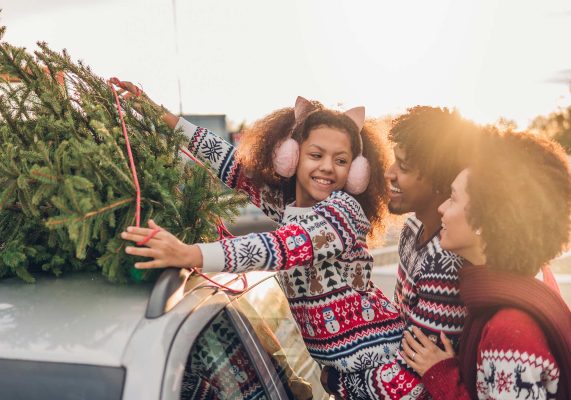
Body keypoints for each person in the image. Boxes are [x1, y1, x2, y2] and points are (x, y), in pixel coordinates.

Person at [119, 89, 406, 386]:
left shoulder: (342, 213)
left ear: (356, 171)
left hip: (384, 371)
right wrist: (166, 118)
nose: (327, 168)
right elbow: (233, 166)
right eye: (316, 155)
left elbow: (279, 247)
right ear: (292, 157)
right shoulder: (288, 208)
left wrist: (190, 254)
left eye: (341, 160)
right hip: (348, 377)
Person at [324, 106, 481, 399]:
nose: (389, 172)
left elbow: (408, 383)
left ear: (439, 183)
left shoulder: (445, 264)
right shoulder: (411, 230)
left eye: (404, 167)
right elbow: (400, 327)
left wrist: (337, 382)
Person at [402, 130, 571, 399]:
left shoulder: (510, 331)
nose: (442, 208)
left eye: (454, 198)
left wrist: (441, 373)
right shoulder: (531, 283)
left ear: (483, 220)